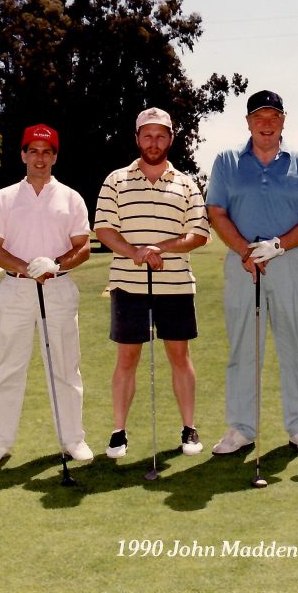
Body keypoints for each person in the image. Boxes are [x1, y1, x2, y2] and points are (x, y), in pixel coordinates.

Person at [206, 90, 298, 455]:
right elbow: (216, 213)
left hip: (288, 262)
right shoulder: (226, 161)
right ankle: (242, 428)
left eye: (274, 116)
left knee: (295, 348)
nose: (267, 123)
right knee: (244, 349)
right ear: (248, 122)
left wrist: (277, 245)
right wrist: (246, 250)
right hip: (242, 264)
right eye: (259, 117)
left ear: (283, 121)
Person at [94, 107, 210, 459]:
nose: (153, 142)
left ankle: (189, 428)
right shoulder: (116, 180)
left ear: (170, 139)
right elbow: (104, 229)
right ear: (137, 139)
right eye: (147, 135)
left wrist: (162, 248)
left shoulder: (186, 183)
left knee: (179, 355)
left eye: (161, 135)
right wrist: (135, 253)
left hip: (175, 286)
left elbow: (199, 234)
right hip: (128, 285)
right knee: (127, 358)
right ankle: (118, 432)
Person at [0, 124, 93, 466]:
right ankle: (0, 442)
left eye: (46, 152)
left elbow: (83, 246)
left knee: (65, 368)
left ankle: (73, 439)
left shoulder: (71, 197)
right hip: (16, 289)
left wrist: (55, 265)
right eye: (33, 151)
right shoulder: (4, 198)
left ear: (55, 157)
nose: (39, 158)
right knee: (7, 368)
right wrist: (27, 268)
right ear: (23, 155)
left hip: (58, 288)